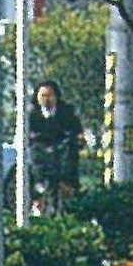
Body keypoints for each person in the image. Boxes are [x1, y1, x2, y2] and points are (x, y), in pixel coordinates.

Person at [24, 76, 86, 211]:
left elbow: (77, 131)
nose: (47, 99)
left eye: (50, 95)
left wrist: (78, 138)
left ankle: (69, 200)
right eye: (43, 96)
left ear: (56, 96)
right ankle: (39, 201)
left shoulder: (67, 112)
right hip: (41, 157)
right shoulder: (31, 116)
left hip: (64, 155)